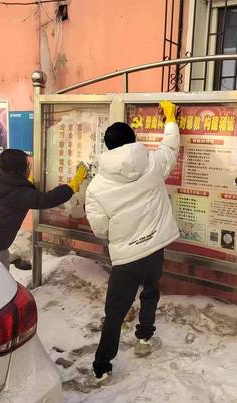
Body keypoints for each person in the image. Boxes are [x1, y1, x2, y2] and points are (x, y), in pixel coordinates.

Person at [85, 101, 180, 382]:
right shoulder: (152, 163)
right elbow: (170, 147)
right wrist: (170, 119)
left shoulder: (97, 186)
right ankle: (145, 339)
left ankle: (102, 367)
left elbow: (100, 228)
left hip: (126, 259)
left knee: (115, 312)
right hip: (154, 249)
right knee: (151, 292)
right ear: (133, 140)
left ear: (107, 147)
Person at [0, 148, 87, 268]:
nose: (28, 168)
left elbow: (16, 190)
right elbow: (47, 199)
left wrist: (27, 184)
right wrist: (72, 186)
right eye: (26, 165)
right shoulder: (20, 193)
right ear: (19, 169)